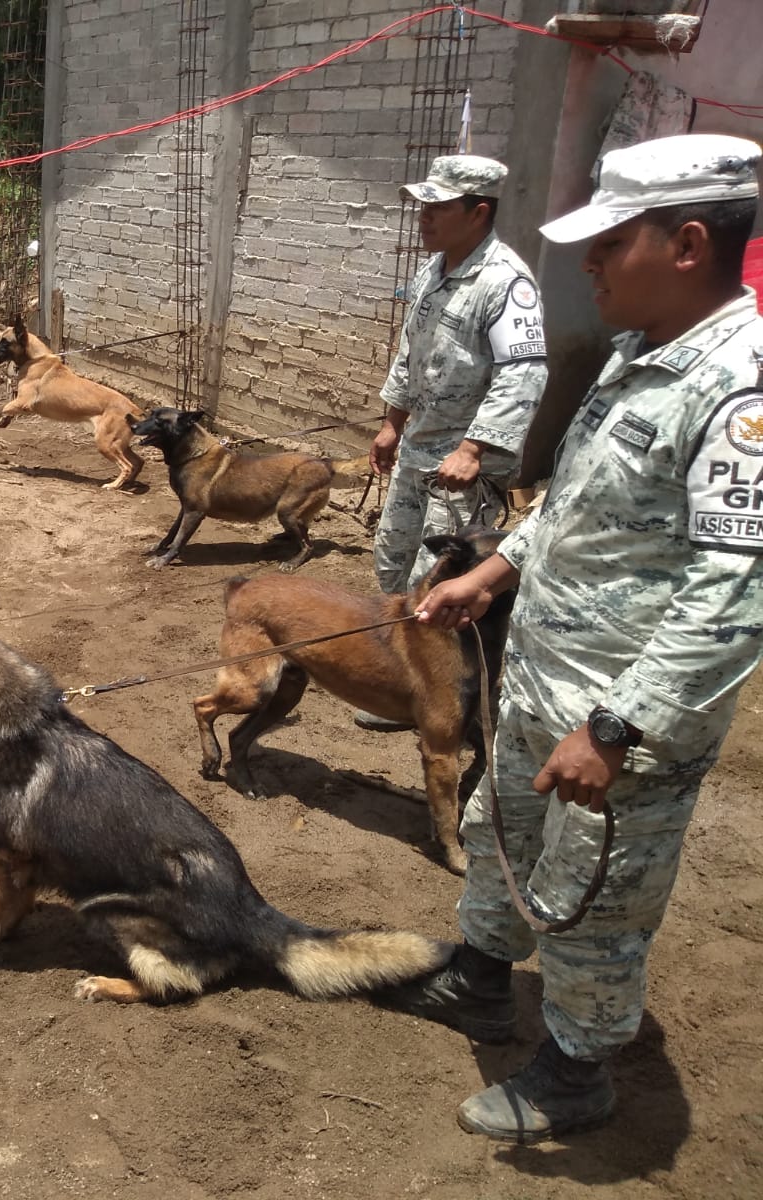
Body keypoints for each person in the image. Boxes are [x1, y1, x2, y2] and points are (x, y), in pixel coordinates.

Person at [383, 133, 763, 1145]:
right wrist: (491, 571)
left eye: (608, 243)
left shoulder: (738, 389)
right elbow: (569, 503)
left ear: (686, 244)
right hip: (542, 683)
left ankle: (574, 1074)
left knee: (595, 898)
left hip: (612, 727)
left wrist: (615, 729)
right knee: (498, 832)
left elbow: (736, 593)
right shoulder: (640, 354)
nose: (585, 263)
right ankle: (475, 979)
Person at [358, 155, 549, 731]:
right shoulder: (433, 270)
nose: (425, 218)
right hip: (418, 448)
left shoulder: (507, 284)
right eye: (424, 207)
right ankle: (399, 678)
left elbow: (525, 373)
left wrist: (475, 449)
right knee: (392, 558)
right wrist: (392, 421)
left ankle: (439, 696)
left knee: (439, 580)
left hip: (462, 464)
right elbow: (408, 352)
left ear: (479, 212)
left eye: (438, 208)